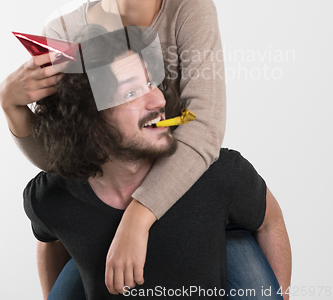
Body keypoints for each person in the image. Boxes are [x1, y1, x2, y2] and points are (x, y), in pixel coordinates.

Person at [0, 0, 282, 297]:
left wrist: (139, 216)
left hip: (187, 189)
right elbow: (65, 153)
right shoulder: (66, 28)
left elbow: (202, 127)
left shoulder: (190, 8)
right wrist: (12, 106)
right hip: (110, 198)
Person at [23, 25, 291, 300]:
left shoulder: (219, 174)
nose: (159, 99)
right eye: (130, 93)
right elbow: (50, 238)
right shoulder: (49, 196)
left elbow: (270, 223)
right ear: (88, 123)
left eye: (151, 83)